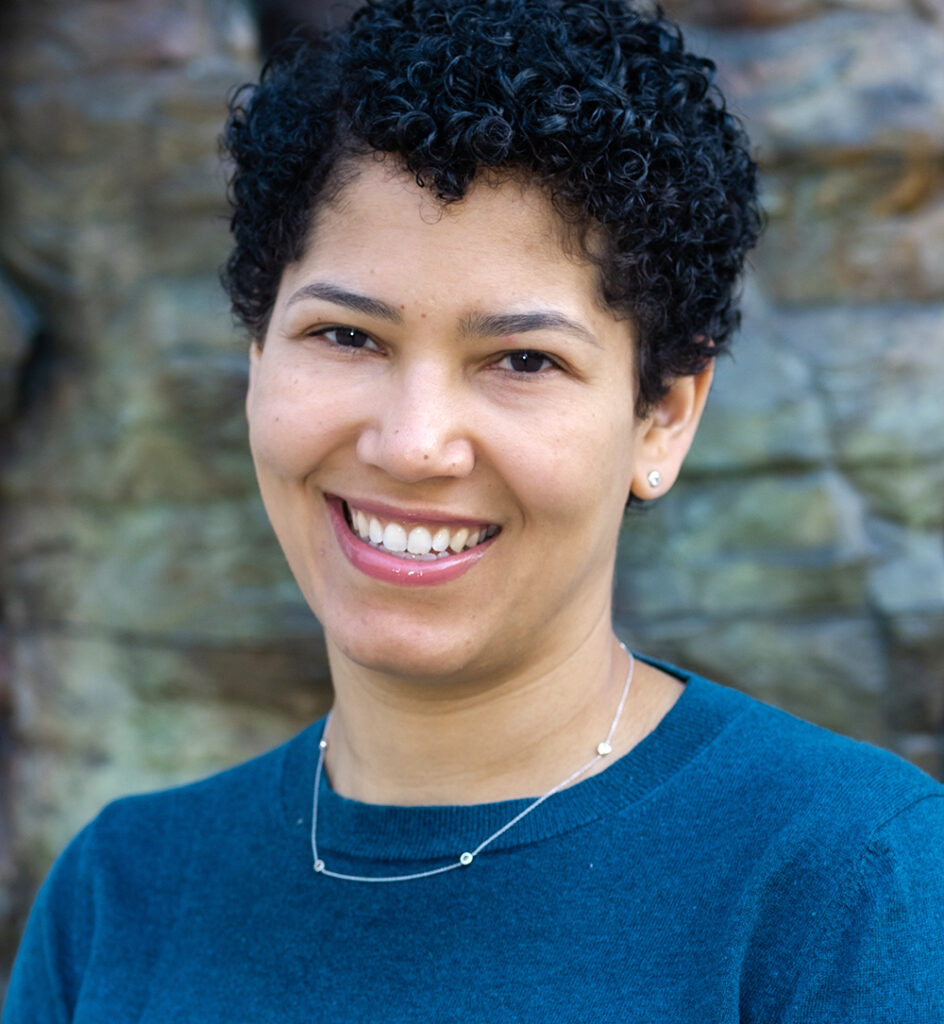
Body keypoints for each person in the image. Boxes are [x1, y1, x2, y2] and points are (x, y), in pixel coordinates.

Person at [5, 0, 944, 1019]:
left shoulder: (850, 878)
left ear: (662, 418)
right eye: (346, 337)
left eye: (522, 360)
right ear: (256, 356)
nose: (413, 443)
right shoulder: (120, 895)